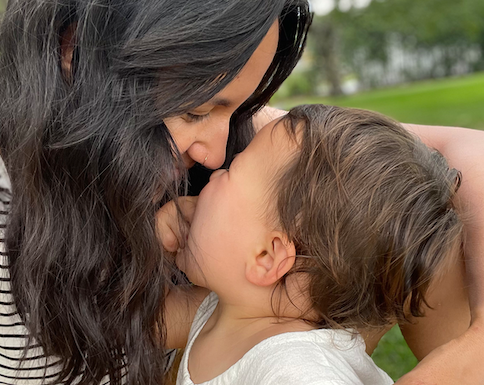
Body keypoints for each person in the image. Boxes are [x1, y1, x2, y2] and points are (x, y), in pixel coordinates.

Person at [0, 1, 311, 384]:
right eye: (195, 112)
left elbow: (393, 163)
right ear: (74, 50)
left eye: (239, 110)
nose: (216, 156)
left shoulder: (254, 145)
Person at [164, 104, 463, 384]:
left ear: (268, 256)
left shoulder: (298, 371)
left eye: (230, 172)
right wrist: (157, 238)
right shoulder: (229, 314)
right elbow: (131, 318)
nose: (214, 172)